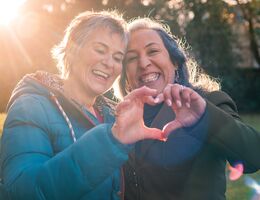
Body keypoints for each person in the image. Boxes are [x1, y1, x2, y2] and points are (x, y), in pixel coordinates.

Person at [0, 11, 163, 200]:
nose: (109, 63)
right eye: (100, 50)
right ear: (72, 48)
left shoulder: (115, 115)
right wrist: (111, 141)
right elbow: (23, 192)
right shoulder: (30, 107)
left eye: (118, 58)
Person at [119, 17, 260, 200]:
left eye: (152, 51)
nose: (143, 63)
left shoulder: (209, 102)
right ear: (126, 76)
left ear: (175, 61)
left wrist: (204, 118)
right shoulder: (121, 119)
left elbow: (253, 156)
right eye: (131, 57)